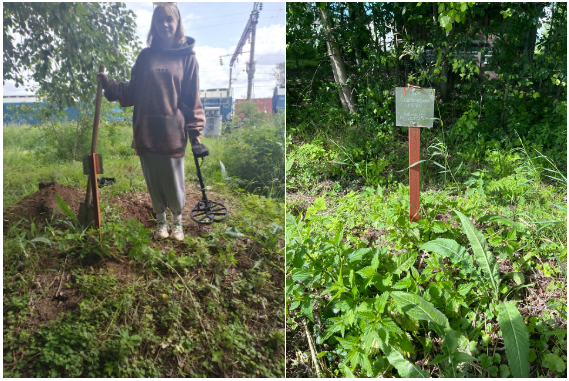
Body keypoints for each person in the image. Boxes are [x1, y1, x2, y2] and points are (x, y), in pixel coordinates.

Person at [97, 2, 207, 241]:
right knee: (153, 178)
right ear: (154, 25)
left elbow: (191, 97)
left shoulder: (187, 58)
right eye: (160, 20)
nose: (165, 25)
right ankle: (161, 221)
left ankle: (177, 222)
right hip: (146, 128)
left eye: (169, 20)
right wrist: (109, 85)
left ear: (177, 23)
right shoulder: (145, 57)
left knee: (173, 178)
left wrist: (195, 133)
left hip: (172, 131)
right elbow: (132, 91)